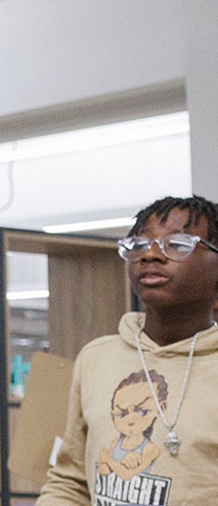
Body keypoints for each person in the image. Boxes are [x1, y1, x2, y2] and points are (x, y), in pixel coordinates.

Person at [39, 195, 218, 505]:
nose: (150, 255)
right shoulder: (96, 358)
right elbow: (70, 481)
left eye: (177, 245)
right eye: (139, 245)